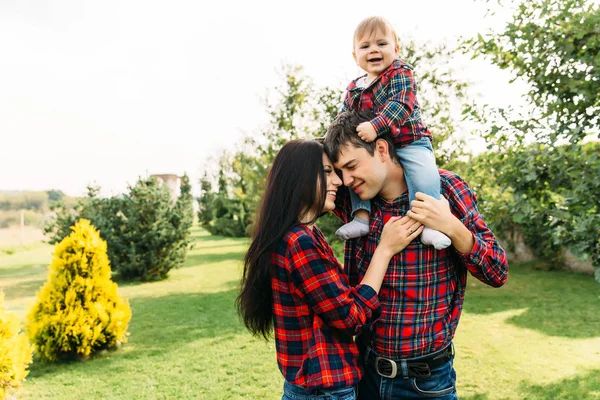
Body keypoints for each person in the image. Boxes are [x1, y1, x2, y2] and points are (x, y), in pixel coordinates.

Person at [324, 111, 509, 400]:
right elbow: (300, 179)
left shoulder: (446, 188)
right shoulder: (351, 202)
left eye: (351, 166)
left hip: (426, 384)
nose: (346, 180)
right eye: (340, 172)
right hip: (364, 376)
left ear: (382, 149)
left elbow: (497, 272)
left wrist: (452, 227)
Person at [236, 139, 424, 400]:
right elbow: (351, 318)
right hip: (323, 392)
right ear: (298, 178)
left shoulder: (304, 235)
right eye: (327, 173)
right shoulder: (299, 243)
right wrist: (384, 250)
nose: (338, 181)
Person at [335, 16, 451, 251]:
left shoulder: (400, 73)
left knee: (425, 175)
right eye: (365, 46)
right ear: (355, 56)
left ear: (396, 49)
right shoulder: (355, 87)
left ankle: (430, 225)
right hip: (376, 151)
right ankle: (361, 218)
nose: (373, 50)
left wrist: (376, 126)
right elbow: (343, 118)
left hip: (411, 141)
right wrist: (330, 138)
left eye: (381, 44)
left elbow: (401, 104)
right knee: (353, 173)